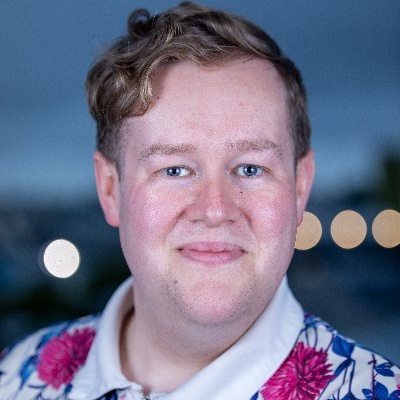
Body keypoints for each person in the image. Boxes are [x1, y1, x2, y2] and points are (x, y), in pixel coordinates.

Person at [0, 2, 399, 399]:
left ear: (300, 188)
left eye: (250, 169)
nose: (215, 210)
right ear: (110, 190)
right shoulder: (12, 378)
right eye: (174, 170)